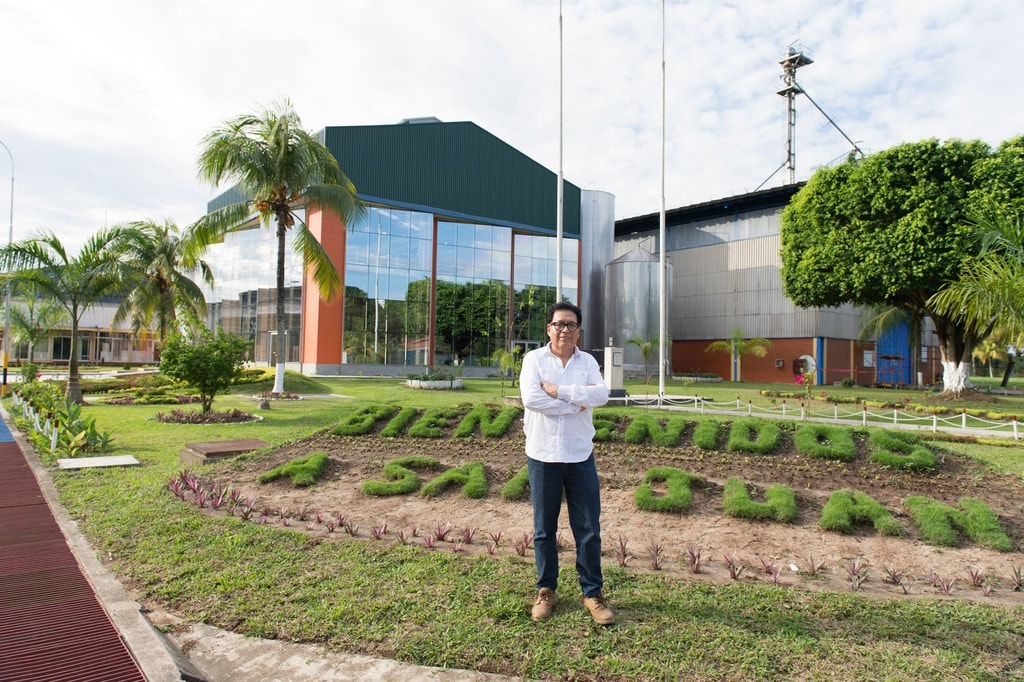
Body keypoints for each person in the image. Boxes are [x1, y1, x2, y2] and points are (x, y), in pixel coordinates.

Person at [519, 301, 613, 625]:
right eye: (559, 324)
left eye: (571, 325)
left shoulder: (587, 362)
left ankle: (592, 593)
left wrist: (559, 391)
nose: (565, 330)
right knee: (544, 529)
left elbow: (601, 394)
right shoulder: (533, 360)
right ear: (549, 328)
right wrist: (576, 402)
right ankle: (546, 590)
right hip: (543, 455)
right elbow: (531, 399)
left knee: (588, 529)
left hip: (579, 456)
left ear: (579, 332)